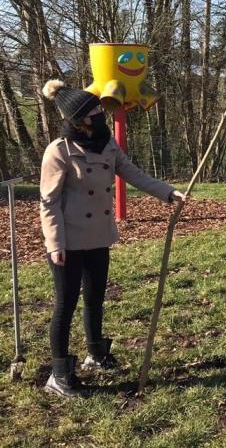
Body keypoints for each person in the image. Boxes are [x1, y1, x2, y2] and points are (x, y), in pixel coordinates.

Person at [39, 79, 185, 398]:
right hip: (68, 241)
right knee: (65, 305)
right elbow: (48, 202)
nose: (99, 114)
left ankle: (96, 354)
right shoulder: (59, 151)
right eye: (93, 111)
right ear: (77, 120)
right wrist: (54, 245)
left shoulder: (106, 143)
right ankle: (59, 375)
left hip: (99, 236)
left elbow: (132, 172)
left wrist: (167, 192)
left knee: (95, 299)